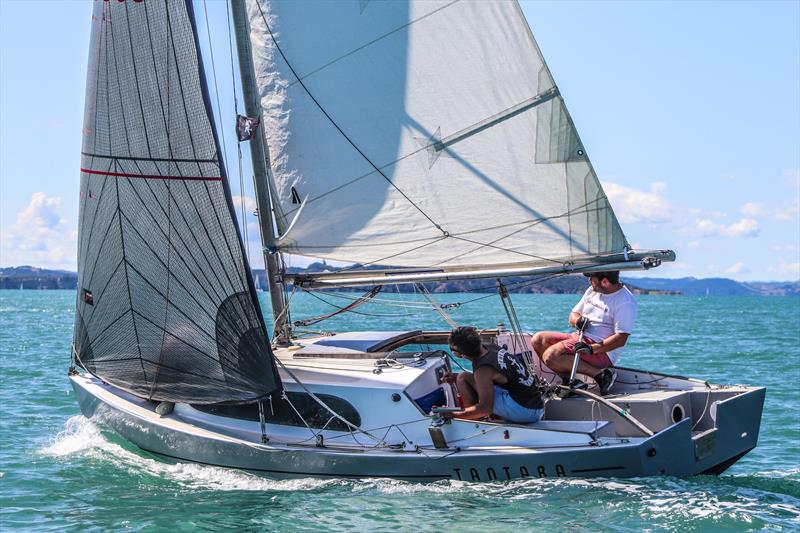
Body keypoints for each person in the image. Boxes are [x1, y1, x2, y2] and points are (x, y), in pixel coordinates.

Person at [531, 271, 636, 395]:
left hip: (601, 350)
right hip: (579, 338)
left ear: (605, 282)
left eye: (592, 278)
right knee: (538, 340)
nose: (589, 280)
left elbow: (621, 338)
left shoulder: (625, 301)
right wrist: (578, 321)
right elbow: (573, 315)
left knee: (551, 356)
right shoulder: (593, 290)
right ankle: (570, 381)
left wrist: (592, 349)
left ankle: (601, 376)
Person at [443, 326, 544, 424]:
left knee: (462, 378)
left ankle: (474, 424)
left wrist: (453, 414)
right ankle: (494, 418)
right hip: (537, 406)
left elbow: (486, 408)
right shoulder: (492, 348)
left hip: (525, 413)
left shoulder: (482, 369)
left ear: (459, 354)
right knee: (463, 376)